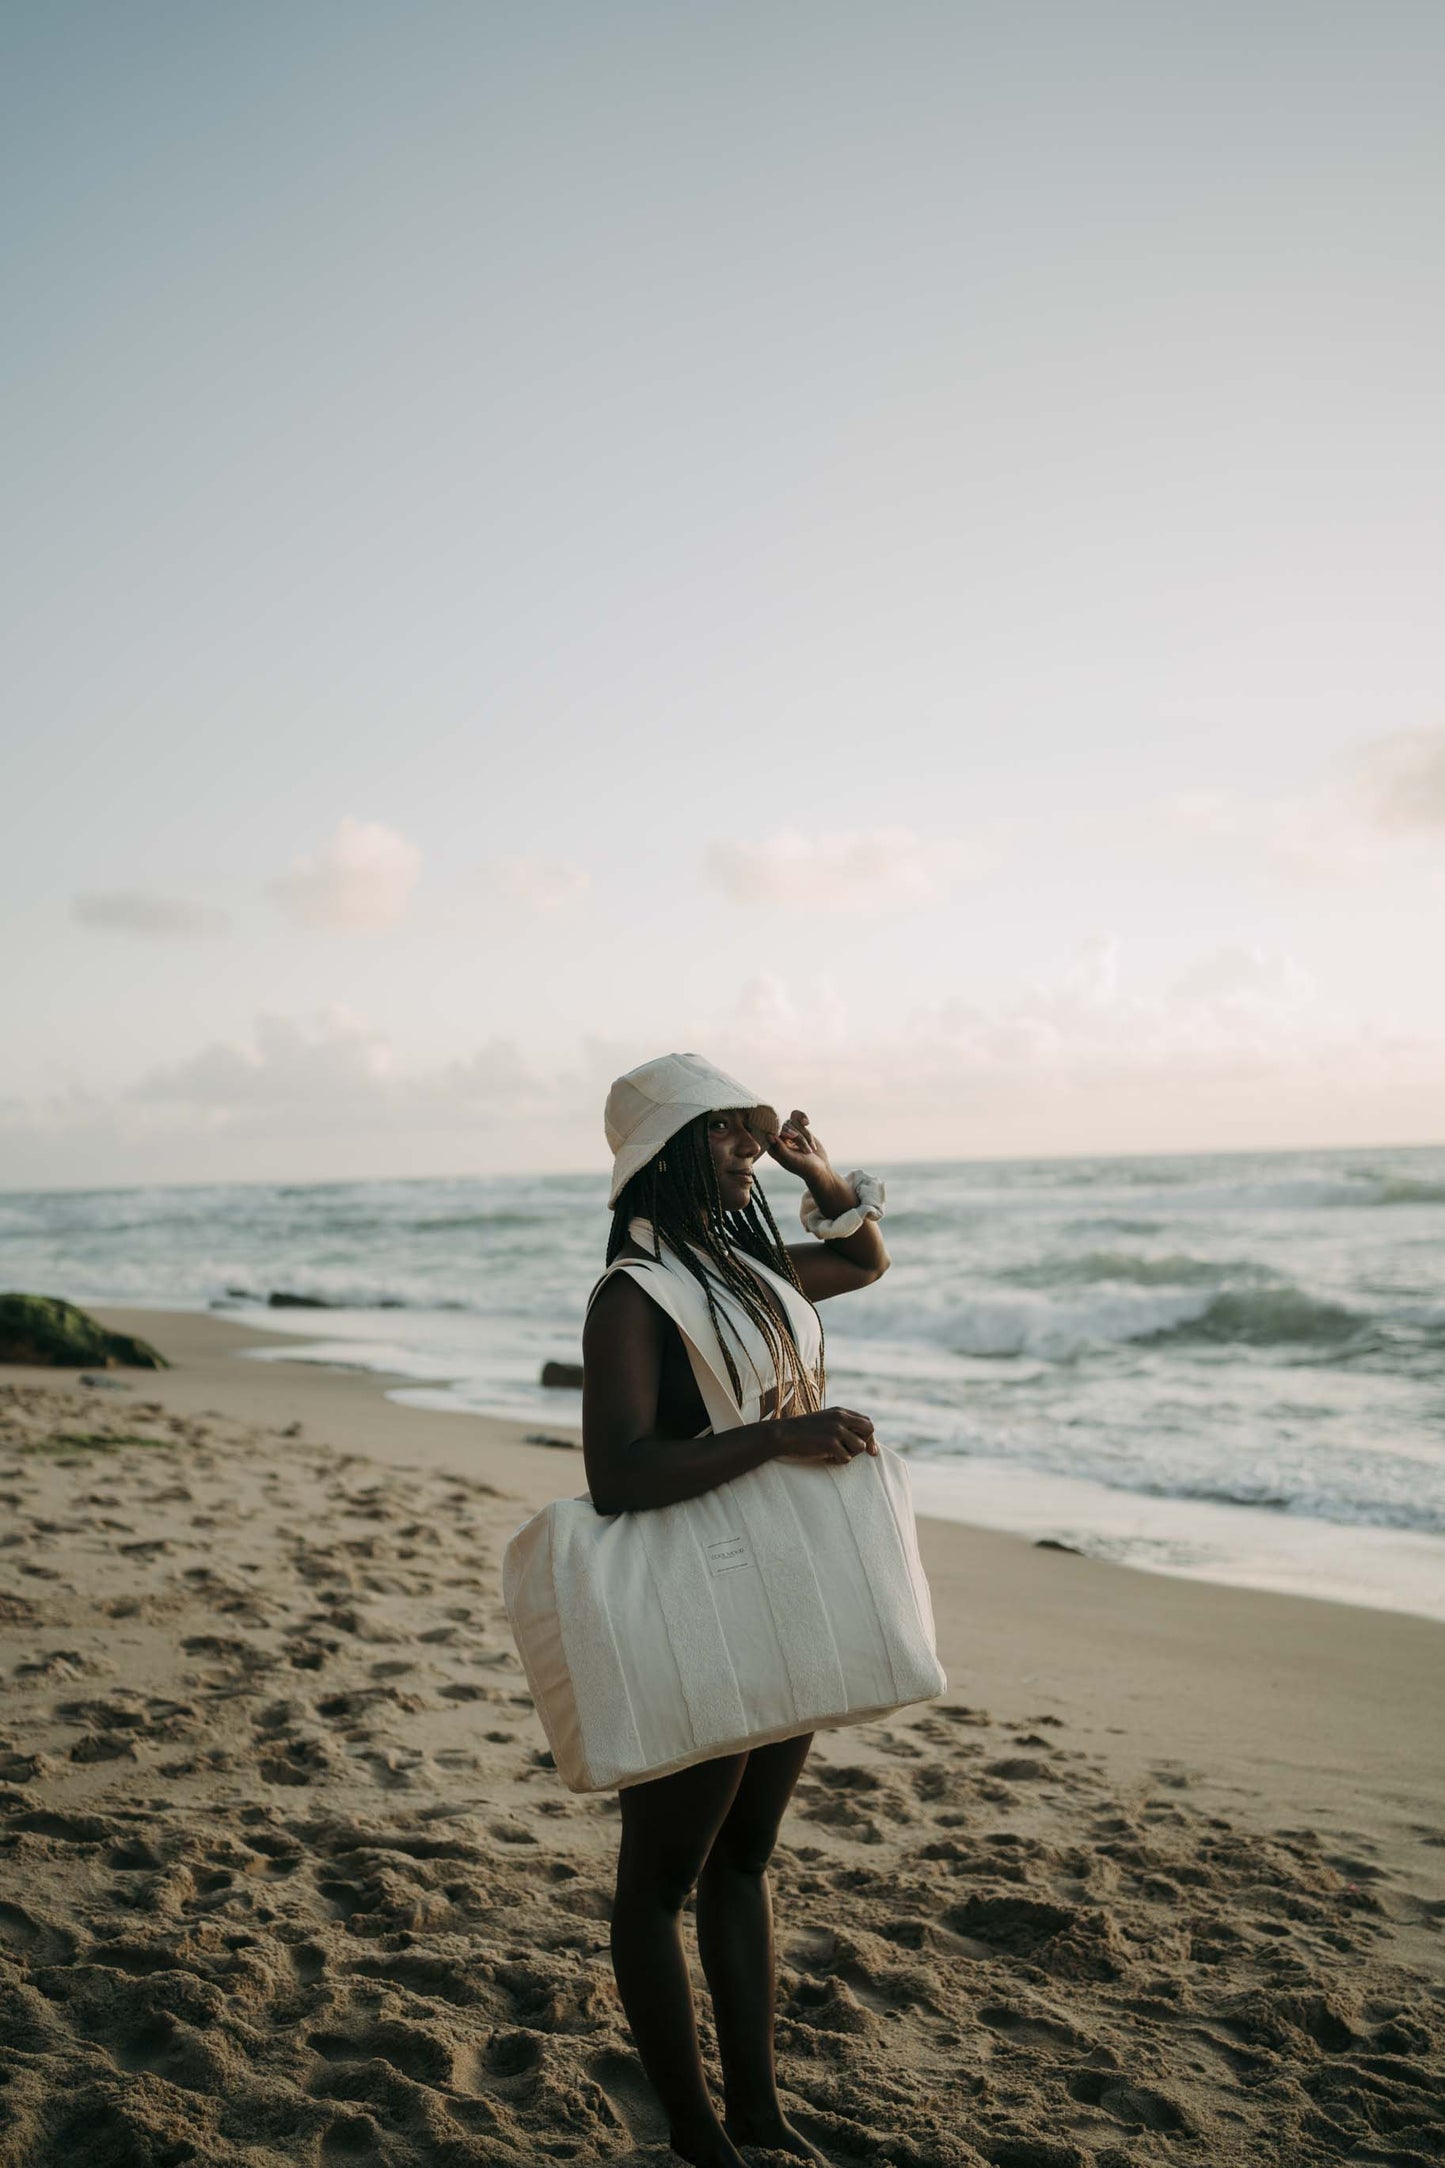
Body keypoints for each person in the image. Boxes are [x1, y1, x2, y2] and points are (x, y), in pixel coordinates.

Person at [582, 1053, 890, 2168]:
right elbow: (616, 1472)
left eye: (747, 1132)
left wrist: (818, 1165)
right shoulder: (634, 1293)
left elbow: (862, 1258)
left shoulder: (744, 1266)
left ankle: (756, 2112)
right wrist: (776, 1434)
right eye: (720, 1133)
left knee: (745, 1857)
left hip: (777, 1582)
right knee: (657, 1878)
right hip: (692, 1596)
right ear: (664, 1152)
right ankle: (697, 2133)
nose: (744, 1148)